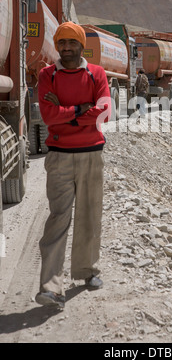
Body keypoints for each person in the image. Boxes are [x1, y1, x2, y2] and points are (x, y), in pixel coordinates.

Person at [35, 21, 111, 309]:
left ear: (82, 45)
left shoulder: (97, 73)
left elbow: (104, 110)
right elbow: (48, 116)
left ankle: (87, 272)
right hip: (59, 158)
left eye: (72, 43)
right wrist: (82, 109)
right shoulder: (47, 75)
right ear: (57, 45)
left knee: (90, 215)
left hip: (92, 154)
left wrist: (68, 113)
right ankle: (50, 287)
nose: (66, 48)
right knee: (58, 219)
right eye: (62, 43)